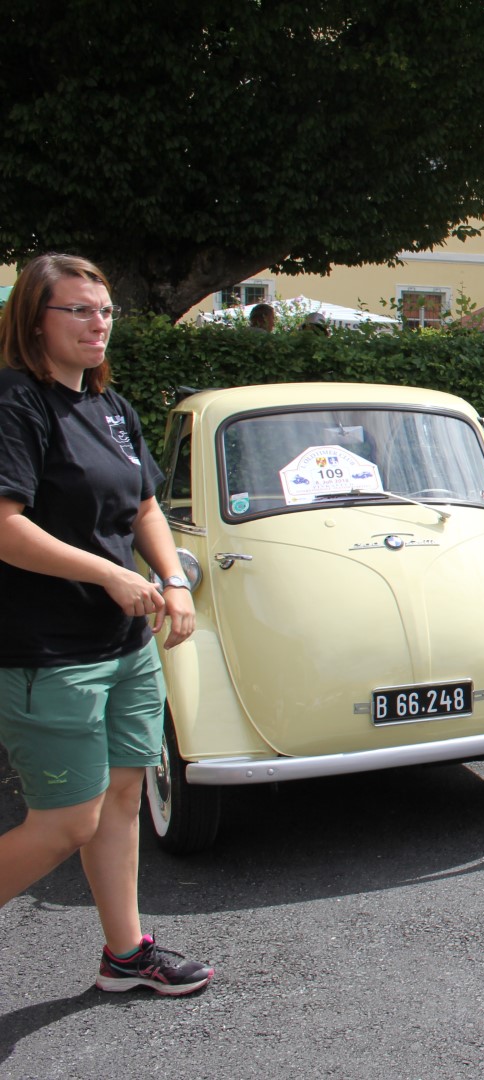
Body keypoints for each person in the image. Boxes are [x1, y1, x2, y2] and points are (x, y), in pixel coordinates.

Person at [0, 254, 214, 996]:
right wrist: (112, 574)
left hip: (125, 646)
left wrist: (173, 580)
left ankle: (126, 954)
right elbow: (4, 528)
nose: (99, 323)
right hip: (49, 653)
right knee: (65, 822)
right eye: (79, 311)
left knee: (124, 796)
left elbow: (146, 507)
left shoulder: (111, 407)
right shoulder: (15, 405)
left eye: (105, 311)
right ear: (35, 320)